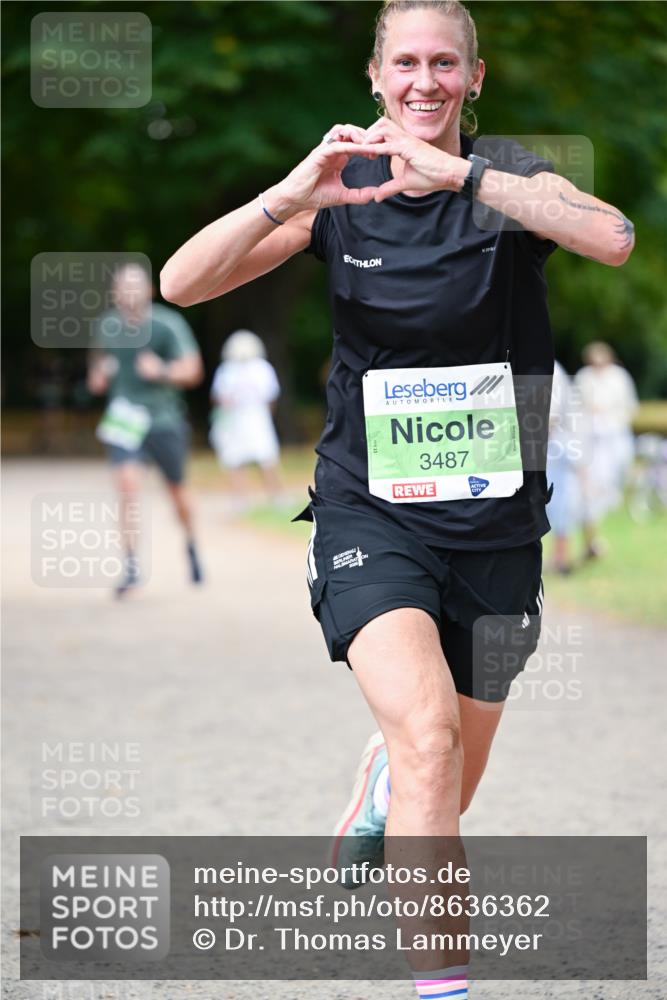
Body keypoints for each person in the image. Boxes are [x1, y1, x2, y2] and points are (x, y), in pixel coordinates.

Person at [161, 1, 634, 992]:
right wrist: (292, 194)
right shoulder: (344, 191)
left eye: (444, 64)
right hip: (368, 513)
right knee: (425, 736)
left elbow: (614, 239)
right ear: (374, 79)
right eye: (404, 64)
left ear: (473, 76)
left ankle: (381, 786)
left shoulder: (502, 177)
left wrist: (462, 174)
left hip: (499, 524)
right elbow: (180, 283)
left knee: (447, 775)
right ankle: (442, 985)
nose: (424, 81)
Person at [88, 262, 205, 596]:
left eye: (135, 286)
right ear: (114, 293)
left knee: (177, 492)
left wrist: (162, 371)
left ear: (149, 291)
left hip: (164, 420)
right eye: (122, 286)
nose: (128, 292)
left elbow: (193, 371)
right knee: (126, 487)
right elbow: (95, 375)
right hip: (124, 420)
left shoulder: (167, 324)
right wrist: (100, 375)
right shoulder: (107, 326)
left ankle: (191, 544)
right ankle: (131, 564)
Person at [574, 340, 638, 557]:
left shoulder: (619, 377)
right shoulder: (584, 377)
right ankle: (592, 537)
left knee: (610, 487)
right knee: (590, 491)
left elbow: (629, 407)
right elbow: (576, 409)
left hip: (613, 438)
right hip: (590, 442)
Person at [209, 329, 285, 509]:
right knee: (240, 458)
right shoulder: (236, 369)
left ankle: (271, 496)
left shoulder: (253, 368)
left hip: (252, 416)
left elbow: (218, 397)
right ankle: (245, 498)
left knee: (264, 456)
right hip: (243, 417)